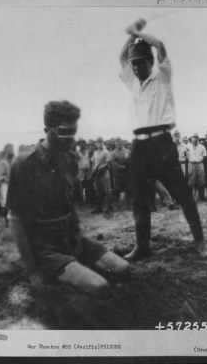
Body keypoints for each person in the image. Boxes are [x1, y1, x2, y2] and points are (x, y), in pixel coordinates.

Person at [7, 101, 129, 294]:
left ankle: (74, 265)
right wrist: (33, 271)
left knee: (122, 268)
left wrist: (77, 240)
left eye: (73, 131)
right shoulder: (24, 164)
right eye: (65, 132)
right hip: (44, 247)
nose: (70, 138)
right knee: (99, 286)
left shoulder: (69, 159)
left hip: (71, 239)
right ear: (48, 129)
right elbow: (15, 219)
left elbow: (69, 204)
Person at [119, 18, 207, 260]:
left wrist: (137, 32)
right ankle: (142, 246)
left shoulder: (162, 77)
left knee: (181, 193)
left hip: (162, 143)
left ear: (150, 62)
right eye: (134, 64)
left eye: (140, 63)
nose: (136, 68)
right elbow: (122, 60)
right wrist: (131, 37)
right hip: (139, 144)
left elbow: (159, 45)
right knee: (139, 198)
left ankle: (200, 243)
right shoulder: (133, 83)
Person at [90, 137, 113, 214]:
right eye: (98, 142)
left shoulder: (106, 152)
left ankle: (109, 207)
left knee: (107, 191)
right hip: (96, 174)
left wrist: (101, 169)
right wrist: (93, 170)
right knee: (98, 191)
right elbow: (93, 162)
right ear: (96, 143)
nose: (99, 144)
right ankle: (99, 207)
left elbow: (108, 164)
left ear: (103, 143)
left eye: (100, 142)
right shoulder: (95, 152)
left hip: (104, 174)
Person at [187, 133, 207, 201]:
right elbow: (185, 155)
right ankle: (192, 197)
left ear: (198, 139)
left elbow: (204, 156)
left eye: (196, 137)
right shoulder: (188, 146)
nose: (195, 139)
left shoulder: (202, 147)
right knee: (191, 181)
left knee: (201, 180)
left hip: (199, 164)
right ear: (191, 139)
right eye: (193, 137)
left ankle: (202, 196)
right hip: (191, 164)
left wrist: (199, 161)